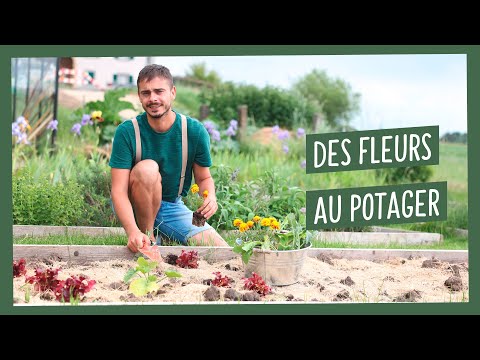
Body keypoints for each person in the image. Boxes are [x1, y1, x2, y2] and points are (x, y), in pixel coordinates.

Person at [109, 64, 229, 254]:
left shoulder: (194, 131)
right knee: (147, 169)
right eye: (146, 93)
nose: (153, 98)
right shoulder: (127, 131)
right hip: (134, 205)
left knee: (220, 249)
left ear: (172, 92)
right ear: (139, 96)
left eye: (159, 91)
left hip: (171, 206)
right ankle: (149, 237)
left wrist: (210, 197)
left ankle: (162, 232)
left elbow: (204, 178)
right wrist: (132, 231)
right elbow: (118, 191)